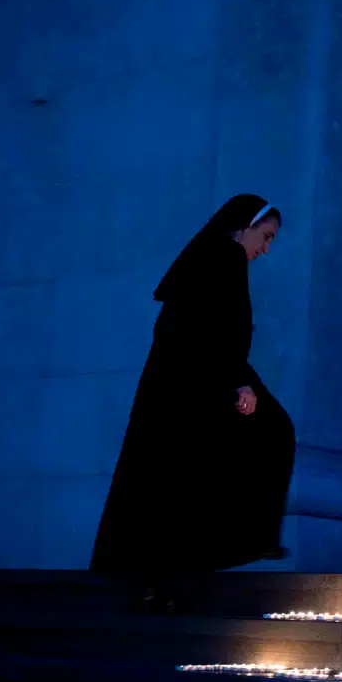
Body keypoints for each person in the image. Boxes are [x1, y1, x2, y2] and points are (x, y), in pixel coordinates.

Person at [91, 194, 296, 613]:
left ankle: (168, 575)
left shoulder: (214, 259)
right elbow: (209, 334)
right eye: (266, 236)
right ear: (245, 226)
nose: (267, 248)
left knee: (181, 477)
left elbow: (214, 334)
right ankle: (213, 554)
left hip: (188, 386)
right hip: (192, 388)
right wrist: (239, 383)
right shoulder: (221, 261)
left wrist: (238, 378)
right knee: (266, 434)